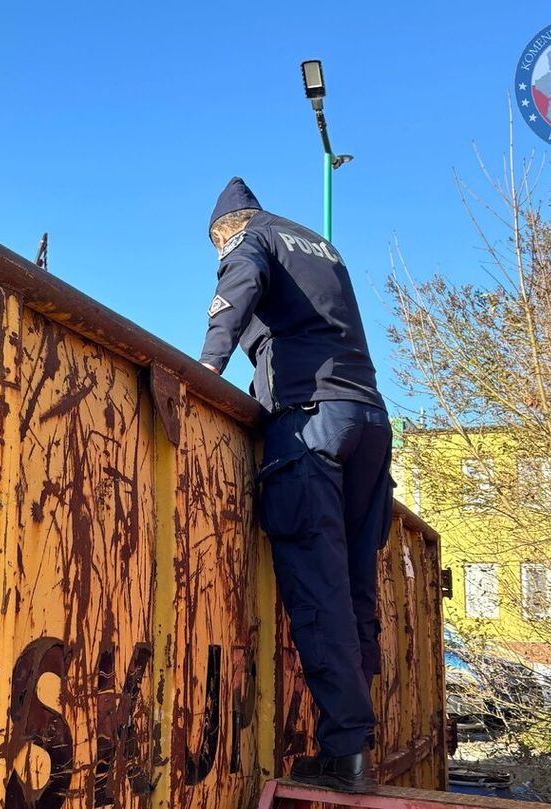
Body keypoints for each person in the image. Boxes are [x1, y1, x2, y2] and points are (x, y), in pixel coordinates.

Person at [199, 177, 394, 793]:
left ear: (223, 230)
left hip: (312, 421)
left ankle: (344, 753)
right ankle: (358, 744)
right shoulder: (317, 244)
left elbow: (237, 290)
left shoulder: (250, 238)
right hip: (369, 420)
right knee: (357, 583)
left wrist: (207, 369)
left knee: (320, 586)